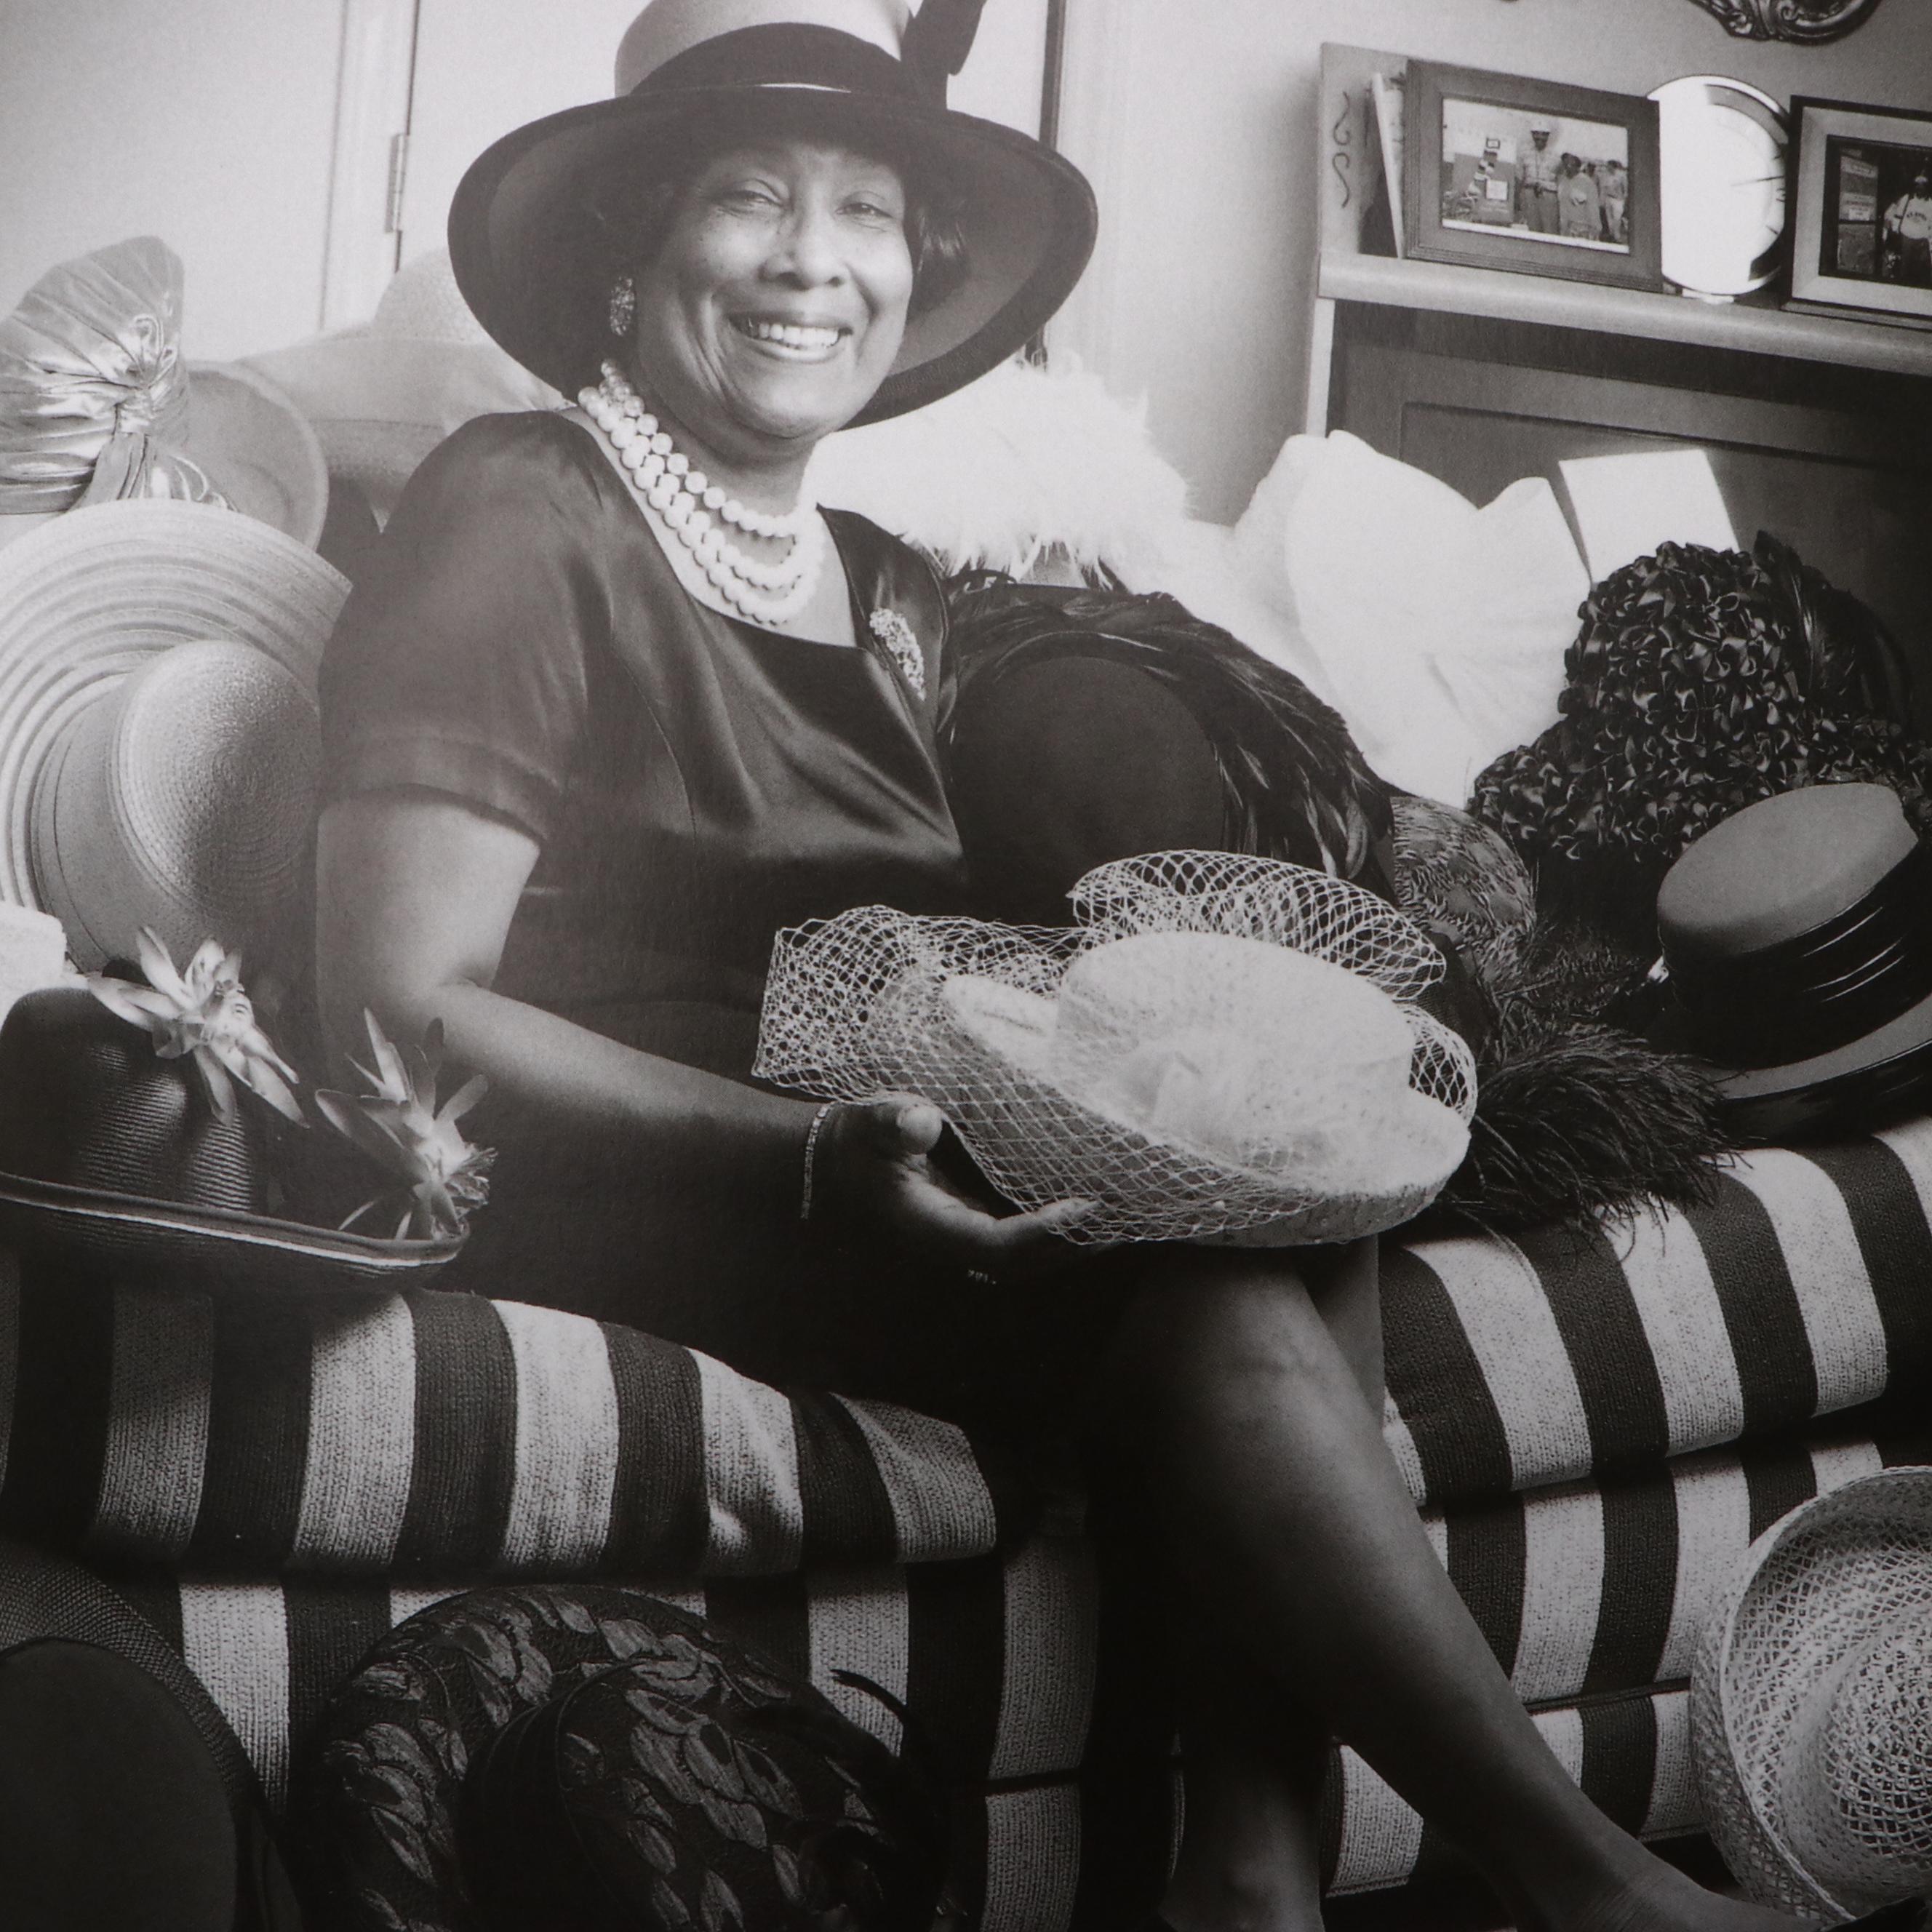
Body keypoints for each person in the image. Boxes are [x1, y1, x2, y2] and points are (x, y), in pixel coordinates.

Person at [314, 5, 1889, 1930]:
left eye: (870, 209)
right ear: (633, 255)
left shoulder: (889, 586)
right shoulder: (520, 502)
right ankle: (1577, 1887)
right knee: (1191, 1301)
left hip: (881, 1137)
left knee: (1267, 1140)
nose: (818, 260)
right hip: (641, 1174)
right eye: (751, 196)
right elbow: (396, 1011)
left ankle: (1254, 1862)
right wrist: (804, 1163)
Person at [1882, 164, 1932, 284]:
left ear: (1927, 187)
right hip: (1906, 240)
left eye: (1923, 185)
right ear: (1915, 187)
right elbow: (1893, 215)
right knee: (1904, 272)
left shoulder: (1931, 204)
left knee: (1923, 273)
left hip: (1922, 242)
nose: (1920, 188)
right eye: (1918, 185)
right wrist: (1888, 232)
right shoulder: (1906, 199)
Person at [1517, 119, 1561, 233]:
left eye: (1543, 135)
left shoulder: (1556, 156)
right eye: (1536, 134)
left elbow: (1561, 181)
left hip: (1548, 196)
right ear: (1532, 135)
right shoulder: (1524, 154)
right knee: (1531, 229)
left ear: (1548, 136)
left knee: (1549, 229)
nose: (1540, 138)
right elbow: (1520, 178)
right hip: (1529, 195)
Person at [1559, 151, 1603, 242]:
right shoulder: (1562, 182)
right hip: (1566, 227)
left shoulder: (1587, 182)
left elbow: (1593, 207)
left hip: (1583, 229)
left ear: (1577, 166)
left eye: (1570, 165)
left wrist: (1596, 228)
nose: (1567, 167)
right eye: (1565, 164)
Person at [1600, 156, 1629, 245]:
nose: (1608, 168)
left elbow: (1625, 189)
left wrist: (1623, 200)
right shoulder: (1605, 176)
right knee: (1609, 219)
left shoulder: (1621, 175)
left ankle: (1617, 237)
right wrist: (1602, 201)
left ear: (1613, 166)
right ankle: (1612, 236)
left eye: (1609, 166)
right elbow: (1603, 189)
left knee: (1617, 219)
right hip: (1608, 199)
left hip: (1618, 200)